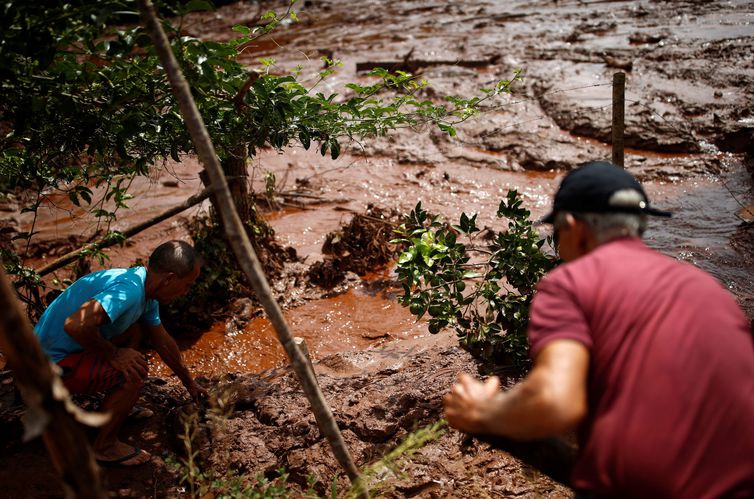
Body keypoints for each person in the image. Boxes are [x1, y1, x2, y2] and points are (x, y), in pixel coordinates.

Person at [444, 161, 754, 498]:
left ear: (574, 227)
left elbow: (555, 403)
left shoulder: (573, 281)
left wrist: (484, 411)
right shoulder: (710, 291)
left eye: (557, 234)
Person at [35, 240, 207, 467]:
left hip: (48, 356)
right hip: (43, 369)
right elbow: (75, 325)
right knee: (135, 371)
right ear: (170, 279)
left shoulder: (144, 288)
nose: (186, 292)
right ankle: (105, 446)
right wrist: (115, 355)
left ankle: (116, 404)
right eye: (187, 285)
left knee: (134, 329)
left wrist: (189, 383)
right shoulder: (129, 291)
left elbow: (162, 341)